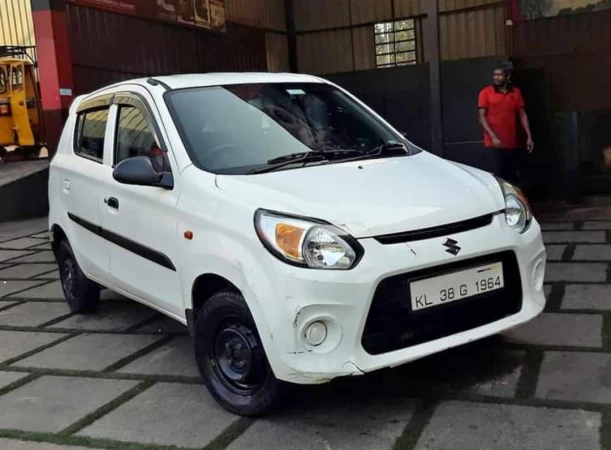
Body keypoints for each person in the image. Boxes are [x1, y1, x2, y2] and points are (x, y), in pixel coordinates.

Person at [478, 62, 534, 183]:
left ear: (507, 77)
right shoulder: (486, 92)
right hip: (493, 143)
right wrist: (493, 137)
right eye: (494, 75)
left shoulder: (515, 92)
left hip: (511, 142)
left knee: (512, 177)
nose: (496, 77)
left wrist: (529, 136)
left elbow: (522, 115)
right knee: (497, 176)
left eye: (499, 75)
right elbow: (482, 117)